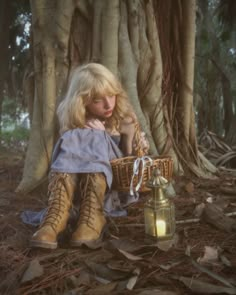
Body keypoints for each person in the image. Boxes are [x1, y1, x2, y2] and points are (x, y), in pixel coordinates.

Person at [30, 63, 149, 250]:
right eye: (97, 100)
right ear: (82, 100)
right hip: (76, 194)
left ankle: (93, 214)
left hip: (109, 192)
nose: (109, 104)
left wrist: (118, 137)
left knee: (89, 135)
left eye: (111, 95)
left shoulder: (124, 118)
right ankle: (57, 214)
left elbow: (130, 165)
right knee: (75, 134)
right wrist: (85, 131)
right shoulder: (73, 120)